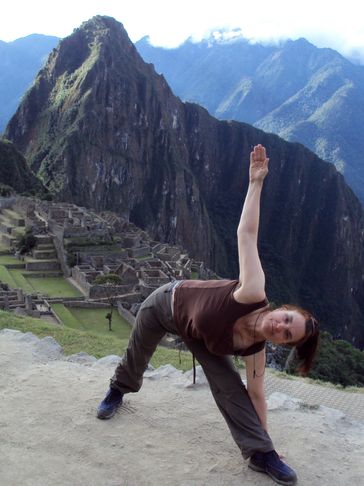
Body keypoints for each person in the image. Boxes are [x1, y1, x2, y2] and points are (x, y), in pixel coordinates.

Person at [97, 144, 319, 486]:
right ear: (284, 309)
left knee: (230, 386)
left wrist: (267, 441)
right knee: (138, 353)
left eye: (287, 335)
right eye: (287, 320)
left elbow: (256, 394)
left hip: (201, 337)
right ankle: (117, 390)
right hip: (166, 305)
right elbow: (246, 235)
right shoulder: (253, 291)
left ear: (283, 342)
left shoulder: (255, 350)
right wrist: (256, 183)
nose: (281, 327)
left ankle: (260, 455)